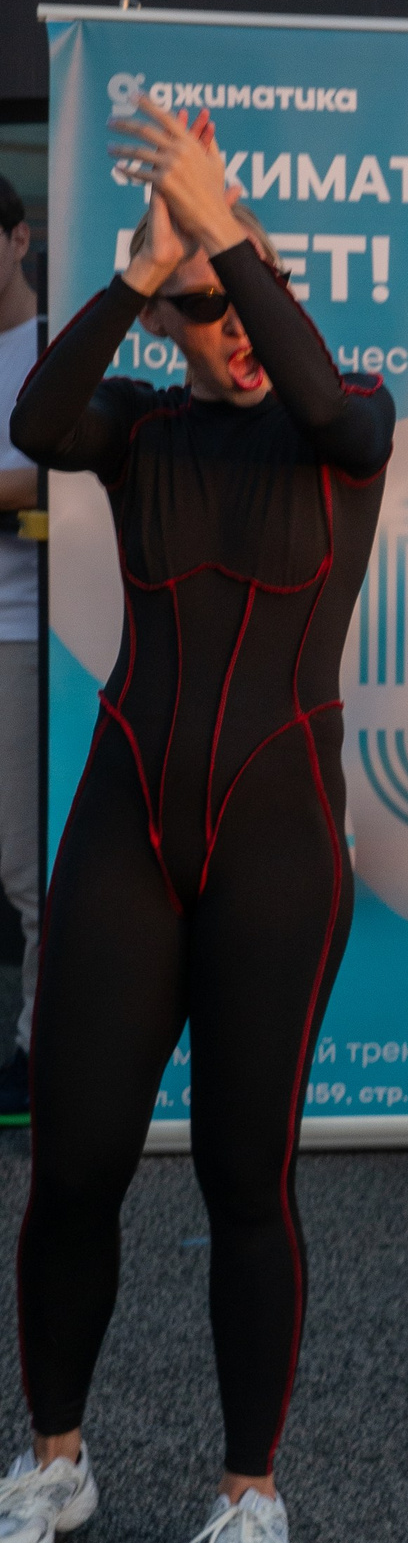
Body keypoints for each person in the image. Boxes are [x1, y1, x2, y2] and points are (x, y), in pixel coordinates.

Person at [0, 99, 393, 1543]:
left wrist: (225, 237)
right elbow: (36, 427)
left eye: (254, 296)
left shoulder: (347, 425)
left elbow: (336, 409)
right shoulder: (139, 429)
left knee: (247, 1174)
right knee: (75, 1163)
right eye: (206, 310)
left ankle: (249, 1495)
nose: (235, 328)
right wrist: (141, 272)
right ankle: (54, 1456)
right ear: (171, 327)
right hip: (129, 831)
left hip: (279, 847)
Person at [0, 175, 44, 1125]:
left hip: (23, 636)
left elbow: (48, 475)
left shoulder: (49, 350)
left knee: (25, 868)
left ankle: (37, 1054)